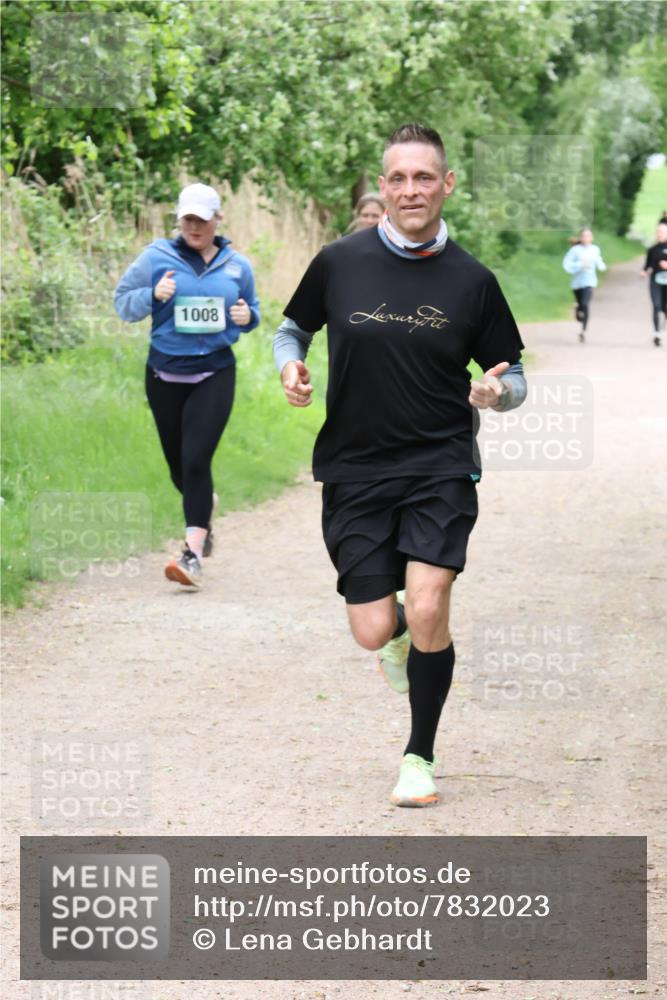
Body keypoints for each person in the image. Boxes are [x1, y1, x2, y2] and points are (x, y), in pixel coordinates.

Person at [273, 124, 526, 808]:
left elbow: (514, 376)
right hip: (353, 470)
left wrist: (497, 394)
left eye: (423, 178)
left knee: (427, 604)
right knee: (374, 629)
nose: (410, 190)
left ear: (445, 185)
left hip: (440, 463)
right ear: (380, 187)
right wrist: (288, 364)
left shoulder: (473, 280)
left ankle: (419, 754)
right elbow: (291, 327)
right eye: (397, 178)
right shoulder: (338, 262)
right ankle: (395, 641)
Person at [114, 182, 260, 586]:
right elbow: (122, 301)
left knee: (196, 459)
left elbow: (253, 310)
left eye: (202, 219)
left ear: (218, 219)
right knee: (178, 466)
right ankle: (204, 513)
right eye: (188, 219)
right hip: (163, 375)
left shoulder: (236, 265)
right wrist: (151, 294)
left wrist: (248, 317)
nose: (195, 227)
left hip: (214, 373)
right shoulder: (156, 257)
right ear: (179, 220)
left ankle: (191, 554)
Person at [562, 228, 606, 343]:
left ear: (592, 238)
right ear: (581, 238)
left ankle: (583, 330)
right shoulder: (575, 250)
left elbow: (599, 261)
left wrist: (601, 266)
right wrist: (580, 264)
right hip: (577, 283)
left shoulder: (595, 249)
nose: (586, 238)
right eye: (584, 236)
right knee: (581, 305)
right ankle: (577, 308)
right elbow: (567, 265)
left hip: (590, 282)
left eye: (588, 236)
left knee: (586, 304)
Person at [640, 221, 667, 347]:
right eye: (658, 232)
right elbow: (647, 265)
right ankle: (656, 334)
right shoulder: (652, 249)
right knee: (656, 306)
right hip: (655, 281)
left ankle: (662, 327)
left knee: (664, 308)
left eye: (662, 232)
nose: (659, 234)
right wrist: (644, 272)